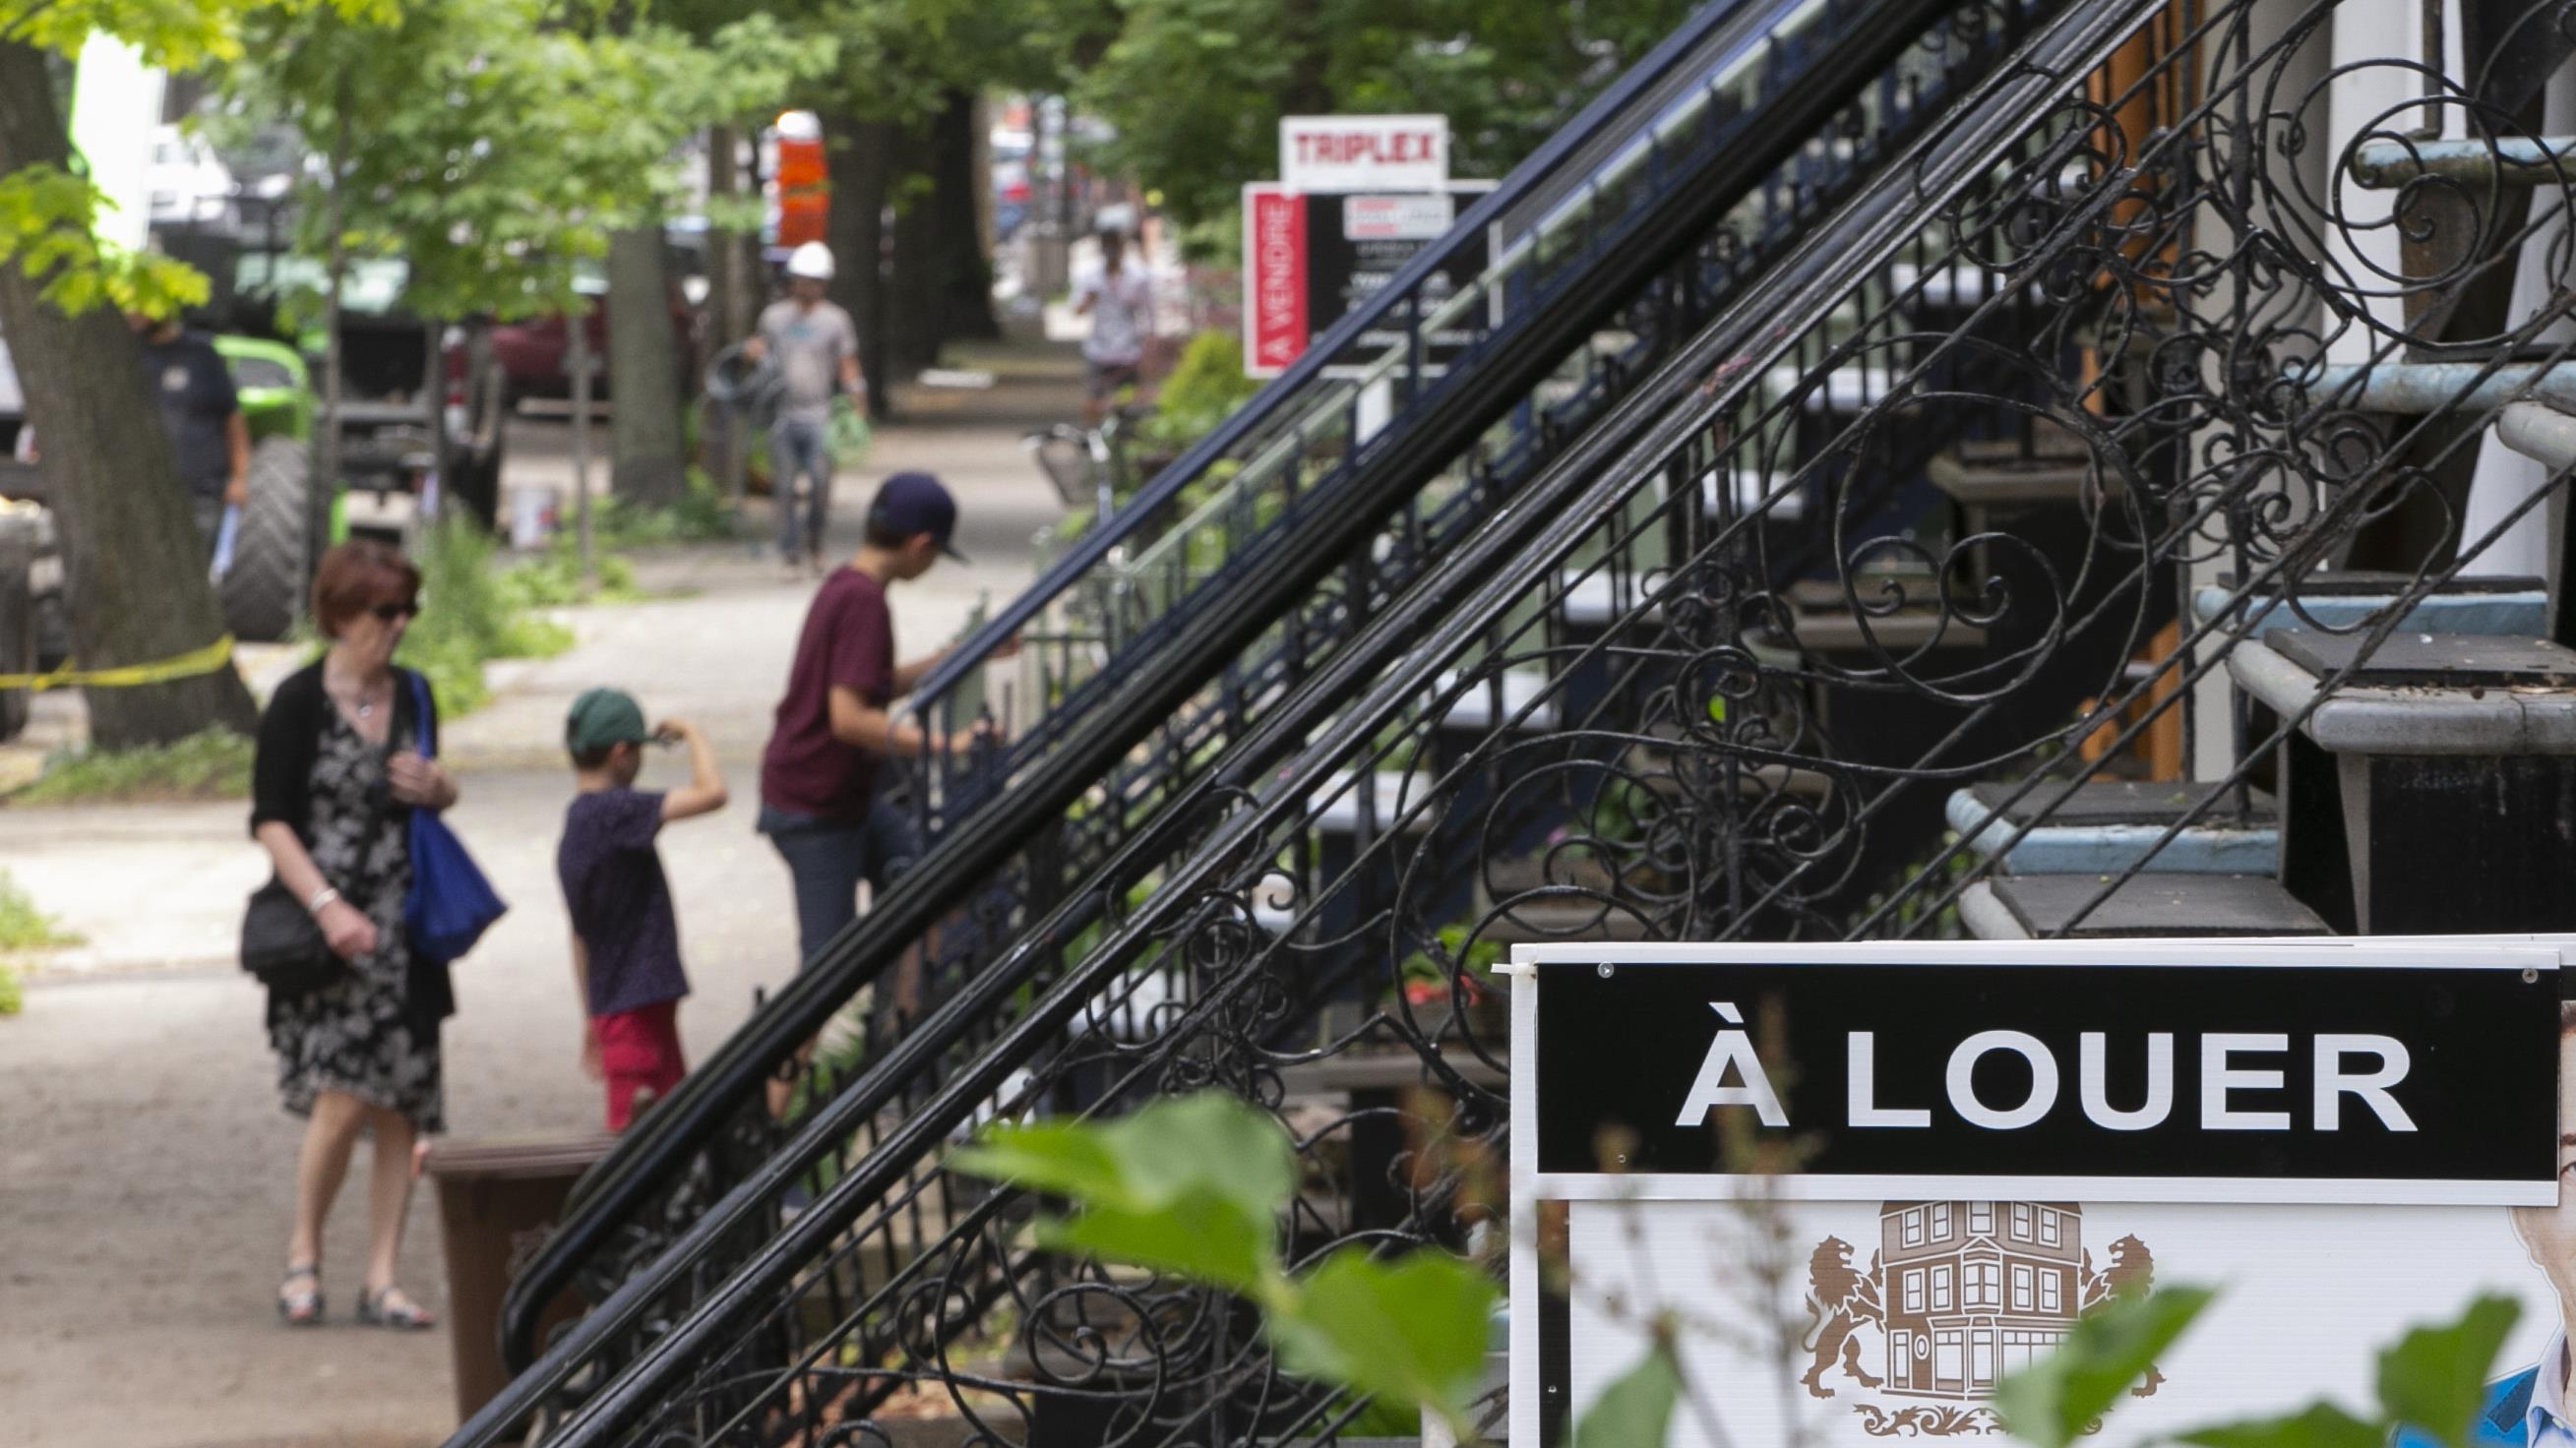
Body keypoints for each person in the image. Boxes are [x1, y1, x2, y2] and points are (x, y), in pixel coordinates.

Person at [249, 540, 459, 1330]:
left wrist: (441, 788)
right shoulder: (298, 701)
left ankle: (383, 1278)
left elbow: (440, 792)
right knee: (340, 1101)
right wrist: (328, 905)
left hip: (406, 934)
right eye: (385, 611)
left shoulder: (414, 693)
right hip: (331, 932)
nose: (400, 624)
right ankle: (303, 1255)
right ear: (341, 615)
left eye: (409, 609)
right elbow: (269, 820)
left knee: (403, 1106)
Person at [758, 472, 1000, 1075]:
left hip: (848, 796)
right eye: (936, 555)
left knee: (932, 888)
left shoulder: (846, 584)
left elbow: (868, 682)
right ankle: (764, 1119)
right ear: (920, 545)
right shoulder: (863, 601)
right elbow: (849, 717)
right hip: (814, 806)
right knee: (825, 972)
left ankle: (903, 1045)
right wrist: (949, 744)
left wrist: (953, 659)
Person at [556, 689, 728, 1132]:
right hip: (637, 1011)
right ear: (620, 754)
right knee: (635, 1145)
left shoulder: (576, 822)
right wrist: (693, 733)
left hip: (617, 1009)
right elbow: (713, 793)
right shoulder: (616, 811)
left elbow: (579, 935)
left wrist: (590, 1017)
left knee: (668, 1133)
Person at [745, 241, 864, 575]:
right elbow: (759, 354)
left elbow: (847, 362)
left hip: (820, 415)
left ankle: (817, 543)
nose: (805, 286)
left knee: (820, 483)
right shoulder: (774, 317)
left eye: (812, 281)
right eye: (800, 279)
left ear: (823, 284)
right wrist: (751, 355)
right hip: (781, 415)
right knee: (782, 486)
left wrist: (857, 401)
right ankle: (789, 550)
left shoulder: (835, 320)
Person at [131, 309, 248, 560]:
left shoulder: (202, 355)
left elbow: (233, 420)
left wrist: (240, 477)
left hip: (200, 495)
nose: (132, 313)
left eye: (140, 305)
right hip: (143, 494)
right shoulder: (127, 357)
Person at [1073, 227, 1155, 428]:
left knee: (1128, 399)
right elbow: (1077, 310)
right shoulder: (1090, 276)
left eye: (1115, 245)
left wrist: (1149, 343)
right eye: (1107, 246)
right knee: (1093, 397)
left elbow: (1148, 311)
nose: (1111, 250)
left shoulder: (1137, 276)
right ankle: (1092, 437)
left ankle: (1125, 438)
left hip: (1128, 348)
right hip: (1099, 347)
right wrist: (1088, 299)